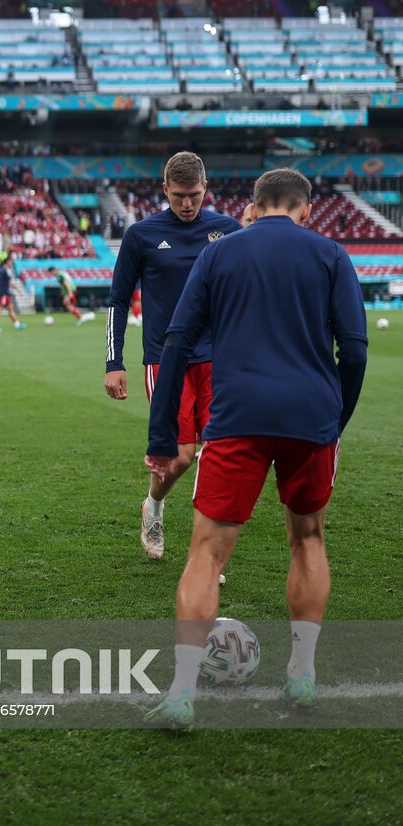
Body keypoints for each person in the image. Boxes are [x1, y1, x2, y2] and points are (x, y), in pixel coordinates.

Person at [143, 169, 368, 728]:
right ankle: (302, 675)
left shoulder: (220, 254)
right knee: (308, 537)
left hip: (237, 415)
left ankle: (182, 692)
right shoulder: (331, 254)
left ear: (253, 203)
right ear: (305, 208)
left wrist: (160, 434)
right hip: (311, 415)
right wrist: (335, 417)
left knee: (207, 552)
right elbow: (356, 351)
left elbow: (176, 341)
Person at [104, 152, 242, 560]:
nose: (187, 204)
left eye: (195, 196)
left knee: (219, 456)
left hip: (218, 358)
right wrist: (115, 363)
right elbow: (117, 299)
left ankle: (207, 553)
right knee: (179, 458)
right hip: (165, 360)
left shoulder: (227, 231)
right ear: (165, 190)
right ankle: (154, 505)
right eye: (180, 195)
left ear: (206, 189)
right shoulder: (142, 235)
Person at [0, 256, 26, 332]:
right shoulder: (5, 271)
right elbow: (8, 283)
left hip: (4, 293)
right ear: (7, 262)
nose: (11, 264)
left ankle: (17, 324)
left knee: (10, 309)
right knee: (0, 309)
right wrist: (18, 290)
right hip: (4, 293)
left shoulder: (2, 271)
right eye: (10, 262)